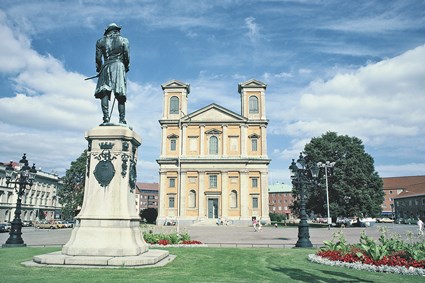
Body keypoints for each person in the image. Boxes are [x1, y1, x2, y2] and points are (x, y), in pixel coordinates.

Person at [94, 23, 130, 124]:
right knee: (120, 94)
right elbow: (126, 55)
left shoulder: (100, 41)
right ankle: (122, 119)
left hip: (106, 66)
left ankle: (105, 118)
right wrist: (125, 67)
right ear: (116, 30)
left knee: (104, 92)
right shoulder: (124, 40)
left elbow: (98, 58)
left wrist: (99, 69)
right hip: (119, 66)